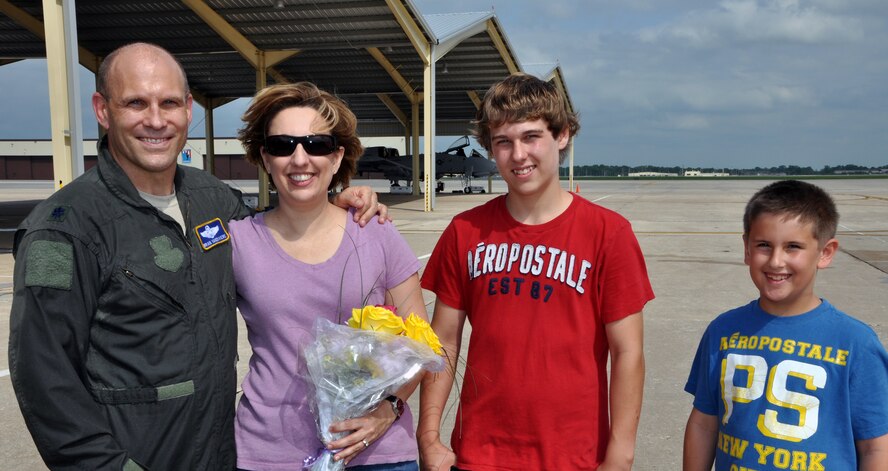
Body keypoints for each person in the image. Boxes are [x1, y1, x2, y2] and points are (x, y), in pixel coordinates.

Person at [8, 42, 384, 470]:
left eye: (169, 102)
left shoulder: (212, 200)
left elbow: (281, 233)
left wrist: (339, 202)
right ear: (102, 109)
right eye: (135, 103)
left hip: (219, 456)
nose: (155, 120)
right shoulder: (64, 229)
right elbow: (44, 379)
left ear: (188, 109)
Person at [418, 73, 654, 470]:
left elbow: (627, 352)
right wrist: (428, 438)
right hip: (480, 453)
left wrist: (621, 453)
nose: (518, 155)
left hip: (574, 455)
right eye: (503, 142)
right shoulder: (465, 232)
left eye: (531, 137)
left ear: (561, 136)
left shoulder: (608, 234)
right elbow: (443, 342)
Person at [231, 82, 427, 470]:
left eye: (316, 144)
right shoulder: (238, 241)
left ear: (337, 158)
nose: (300, 158)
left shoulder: (375, 231)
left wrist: (388, 410)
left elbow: (424, 342)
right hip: (271, 453)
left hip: (377, 452)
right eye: (282, 145)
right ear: (265, 159)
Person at [683, 180, 888, 470]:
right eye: (764, 245)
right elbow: (704, 424)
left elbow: (875, 447)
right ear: (746, 248)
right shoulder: (723, 331)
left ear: (825, 253)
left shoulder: (855, 342)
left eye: (793, 247)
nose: (776, 260)